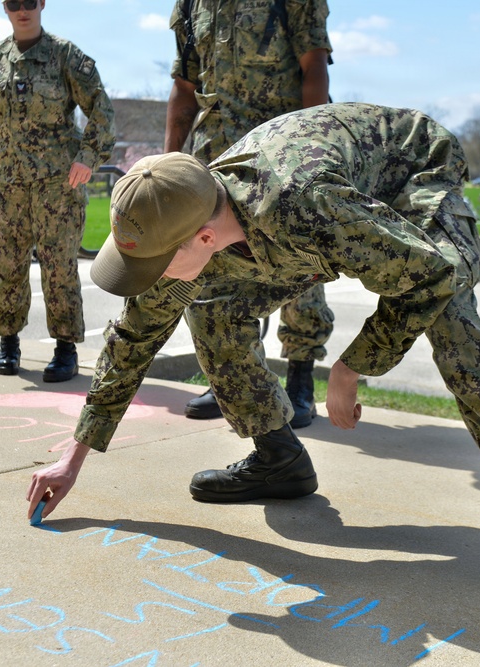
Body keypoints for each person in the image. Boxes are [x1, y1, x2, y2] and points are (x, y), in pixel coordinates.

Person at [27, 103, 480, 637]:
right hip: (298, 220)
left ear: (203, 237)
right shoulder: (185, 219)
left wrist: (353, 365)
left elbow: (430, 274)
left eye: (154, 265)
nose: (148, 279)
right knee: (210, 310)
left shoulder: (306, 205)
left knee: (456, 330)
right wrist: (72, 457)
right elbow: (133, 340)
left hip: (410, 182)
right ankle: (277, 458)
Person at [165, 0, 334, 427]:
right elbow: (185, 88)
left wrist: (311, 147)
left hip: (279, 152)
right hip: (215, 154)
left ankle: (299, 379)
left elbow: (313, 67)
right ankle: (233, 380)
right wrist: (168, 164)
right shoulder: (190, 4)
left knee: (300, 264)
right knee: (217, 269)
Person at [0, 0, 115, 379]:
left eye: (29, 1)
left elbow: (102, 110)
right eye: (13, 3)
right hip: (3, 186)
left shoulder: (65, 56)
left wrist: (87, 156)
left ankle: (65, 348)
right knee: (6, 266)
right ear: (4, 8)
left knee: (58, 267)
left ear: (42, 4)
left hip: (56, 186)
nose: (22, 10)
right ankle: (8, 341)